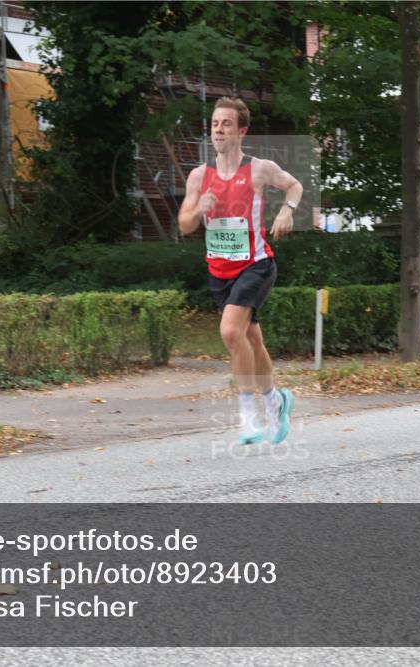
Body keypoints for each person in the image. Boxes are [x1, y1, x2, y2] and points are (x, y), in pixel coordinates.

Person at [178, 96, 303, 445]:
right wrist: (198, 208)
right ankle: (276, 401)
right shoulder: (199, 176)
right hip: (219, 271)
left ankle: (248, 418)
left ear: (241, 131)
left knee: (231, 333)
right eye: (215, 124)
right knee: (251, 340)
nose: (219, 130)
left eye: (226, 124)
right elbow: (185, 224)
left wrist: (287, 210)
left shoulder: (259, 168)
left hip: (257, 264)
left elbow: (295, 185)